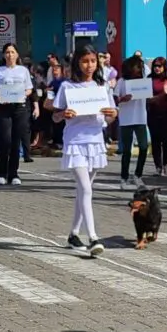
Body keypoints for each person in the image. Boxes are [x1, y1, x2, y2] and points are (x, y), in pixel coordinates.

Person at [52, 44, 117, 256]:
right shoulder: (67, 87)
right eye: (85, 61)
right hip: (75, 141)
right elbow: (55, 115)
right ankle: (93, 237)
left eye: (92, 61)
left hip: (95, 141)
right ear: (77, 63)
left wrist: (111, 114)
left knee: (84, 190)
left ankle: (73, 234)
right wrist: (63, 115)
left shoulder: (102, 86)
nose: (89, 65)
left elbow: (110, 115)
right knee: (86, 189)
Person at [0, 43, 33, 186]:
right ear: (4, 55)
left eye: (12, 52)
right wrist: (0, 97)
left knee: (16, 141)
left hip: (20, 107)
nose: (10, 55)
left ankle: (13, 173)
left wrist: (21, 95)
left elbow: (29, 89)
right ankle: (1, 172)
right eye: (7, 52)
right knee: (6, 140)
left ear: (17, 54)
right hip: (4, 107)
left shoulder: (23, 71)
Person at [115, 54, 149, 191]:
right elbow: (115, 99)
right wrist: (123, 99)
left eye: (140, 67)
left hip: (140, 118)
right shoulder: (122, 82)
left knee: (144, 147)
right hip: (126, 119)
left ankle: (138, 175)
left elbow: (149, 96)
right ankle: (124, 177)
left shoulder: (144, 81)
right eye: (136, 66)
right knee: (127, 150)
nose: (138, 69)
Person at [146, 57, 167, 176]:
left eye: (160, 66)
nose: (157, 68)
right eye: (155, 66)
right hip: (153, 113)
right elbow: (145, 96)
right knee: (155, 141)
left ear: (164, 67)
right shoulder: (149, 79)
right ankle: (158, 167)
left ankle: (166, 165)